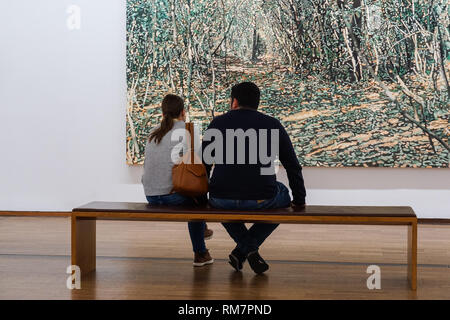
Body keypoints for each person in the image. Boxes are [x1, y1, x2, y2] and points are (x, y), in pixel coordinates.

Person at [202, 82, 306, 274]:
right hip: (261, 198)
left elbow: (204, 165)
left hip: (221, 198)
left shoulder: (217, 123)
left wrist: (203, 198)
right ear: (257, 103)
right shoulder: (272, 124)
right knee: (282, 197)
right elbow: (292, 165)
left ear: (234, 102)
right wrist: (300, 200)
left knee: (223, 201)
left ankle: (245, 249)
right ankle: (246, 249)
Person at [142, 94, 213, 267]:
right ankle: (200, 252)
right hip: (172, 196)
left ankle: (203, 231)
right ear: (183, 112)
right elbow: (197, 164)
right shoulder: (187, 130)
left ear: (163, 112)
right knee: (197, 203)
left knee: (195, 199)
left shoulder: (153, 132)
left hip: (150, 195)